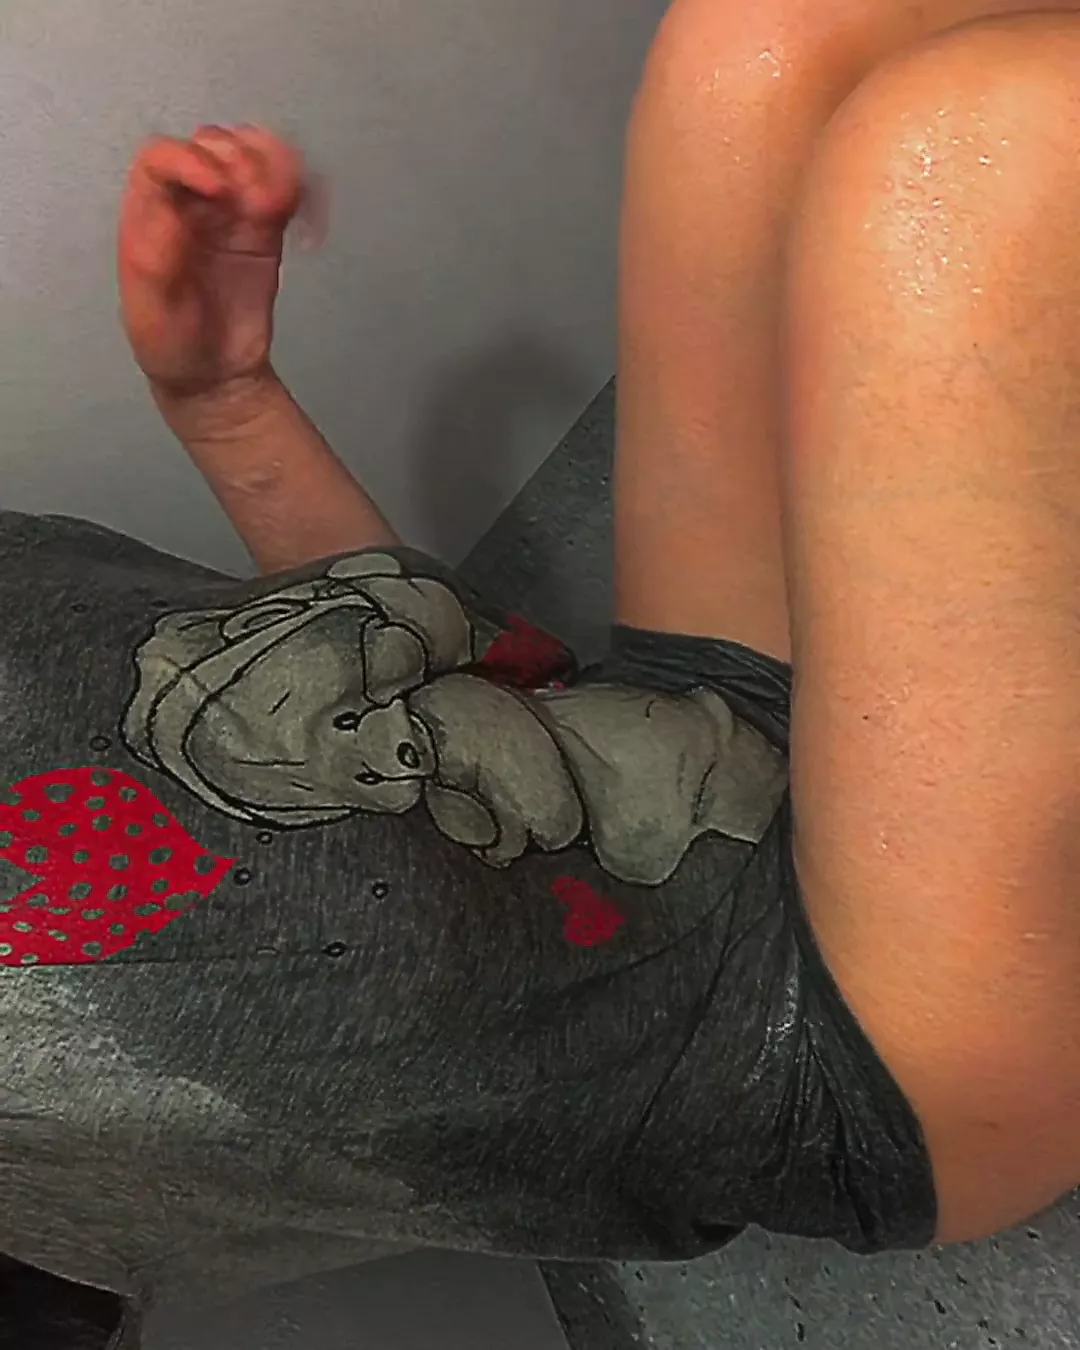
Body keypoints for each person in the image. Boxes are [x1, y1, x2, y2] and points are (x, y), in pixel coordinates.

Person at [3, 3, 1080, 1346]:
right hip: (832, 1049)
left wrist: (225, 402)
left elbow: (389, 676)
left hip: (673, 735)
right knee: (985, 149)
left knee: (771, 37)